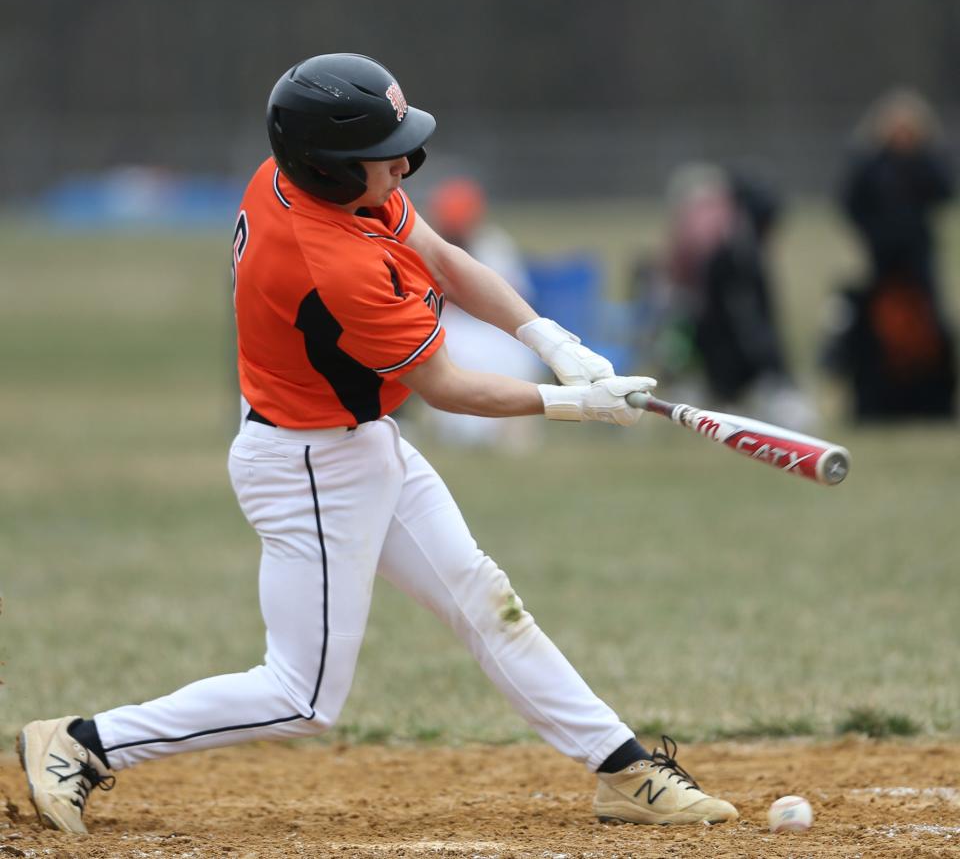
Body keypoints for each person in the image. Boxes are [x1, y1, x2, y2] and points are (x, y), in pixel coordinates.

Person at [17, 53, 738, 835]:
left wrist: (552, 338)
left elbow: (445, 260)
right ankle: (85, 744)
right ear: (330, 169)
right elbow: (447, 387)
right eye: (386, 154)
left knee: (486, 601)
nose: (404, 165)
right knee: (302, 697)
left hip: (358, 443)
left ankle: (622, 768)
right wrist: (574, 405)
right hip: (310, 467)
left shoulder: (300, 179)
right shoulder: (337, 266)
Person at [634, 164, 812, 428]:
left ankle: (704, 390)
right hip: (695, 315)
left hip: (696, 312)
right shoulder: (729, 239)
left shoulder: (718, 233)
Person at [825, 88, 957, 420]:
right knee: (875, 326)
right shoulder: (870, 165)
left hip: (918, 258)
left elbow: (945, 191)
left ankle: (930, 399)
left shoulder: (924, 162)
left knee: (928, 328)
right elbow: (849, 202)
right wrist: (873, 232)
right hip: (880, 260)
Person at [422, 176, 543, 450]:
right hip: (447, 325)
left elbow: (517, 296)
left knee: (517, 357)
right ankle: (467, 430)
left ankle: (511, 428)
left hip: (492, 326)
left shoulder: (494, 245)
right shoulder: (425, 243)